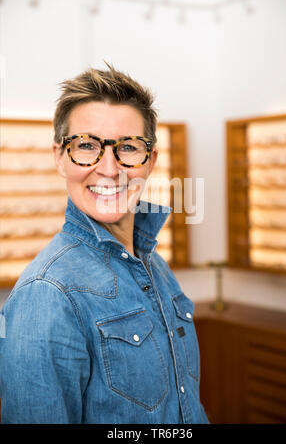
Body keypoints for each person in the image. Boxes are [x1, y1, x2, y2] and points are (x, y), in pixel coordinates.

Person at [0, 64, 209, 424]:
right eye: (86, 146)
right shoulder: (47, 293)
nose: (110, 169)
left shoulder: (152, 263)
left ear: (151, 160)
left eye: (128, 147)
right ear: (59, 157)